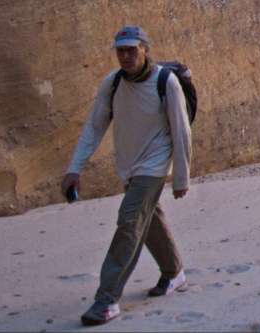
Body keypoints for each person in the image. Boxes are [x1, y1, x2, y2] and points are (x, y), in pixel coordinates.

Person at [63, 26, 193, 327]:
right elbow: (94, 127)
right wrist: (74, 168)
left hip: (155, 165)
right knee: (148, 220)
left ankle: (106, 299)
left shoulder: (166, 81)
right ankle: (174, 273)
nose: (125, 56)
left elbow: (181, 130)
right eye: (120, 50)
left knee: (129, 222)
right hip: (129, 166)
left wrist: (181, 178)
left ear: (144, 49)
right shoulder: (112, 83)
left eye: (131, 49)